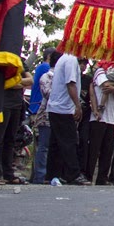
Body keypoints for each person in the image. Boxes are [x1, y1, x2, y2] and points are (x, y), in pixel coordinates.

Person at [45, 51, 90, 185]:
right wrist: (78, 105)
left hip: (56, 106)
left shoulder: (64, 58)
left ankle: (52, 174)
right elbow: (71, 84)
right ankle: (73, 174)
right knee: (69, 141)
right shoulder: (70, 60)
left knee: (56, 143)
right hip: (63, 107)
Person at [87, 62, 114, 185]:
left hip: (112, 118)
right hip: (99, 117)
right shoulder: (100, 72)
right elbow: (105, 85)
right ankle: (88, 176)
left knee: (108, 150)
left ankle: (102, 178)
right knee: (94, 149)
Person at [0, 66, 31, 184]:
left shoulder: (19, 61)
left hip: (17, 105)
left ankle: (8, 174)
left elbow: (30, 80)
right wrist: (20, 82)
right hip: (3, 104)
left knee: (11, 140)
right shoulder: (2, 60)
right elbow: (3, 82)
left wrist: (15, 82)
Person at [28, 47, 55, 184]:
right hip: (41, 108)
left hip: (36, 107)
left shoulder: (40, 68)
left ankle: (37, 176)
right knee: (43, 145)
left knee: (41, 145)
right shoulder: (46, 69)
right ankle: (39, 176)